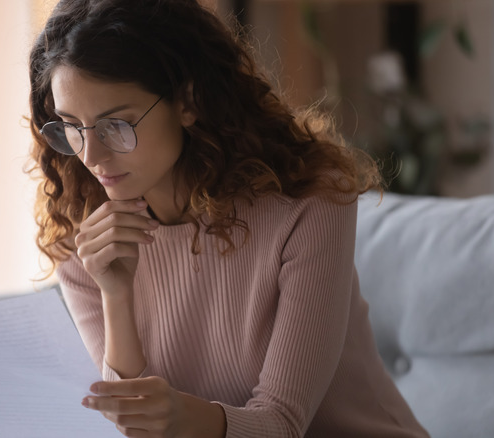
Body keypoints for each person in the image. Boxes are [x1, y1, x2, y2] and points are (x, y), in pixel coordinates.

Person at [27, 0, 429, 436]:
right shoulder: (80, 232)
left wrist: (182, 417)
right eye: (70, 126)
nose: (91, 156)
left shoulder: (308, 202)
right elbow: (131, 427)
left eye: (117, 125)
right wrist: (116, 293)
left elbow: (282, 423)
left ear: (188, 100)